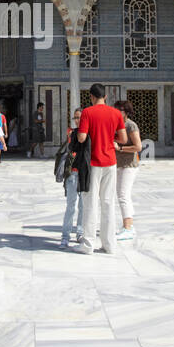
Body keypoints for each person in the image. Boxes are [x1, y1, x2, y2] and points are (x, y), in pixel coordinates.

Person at [77, 84, 126, 255]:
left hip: (93, 163)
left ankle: (88, 244)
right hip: (110, 162)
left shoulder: (87, 113)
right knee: (108, 203)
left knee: (90, 203)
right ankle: (109, 244)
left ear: (91, 96)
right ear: (105, 97)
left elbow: (82, 138)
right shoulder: (116, 113)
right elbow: (123, 138)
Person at [56, 107, 90, 249]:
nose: (77, 121)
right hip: (73, 173)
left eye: (79, 118)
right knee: (71, 206)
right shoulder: (72, 133)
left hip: (85, 173)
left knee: (83, 206)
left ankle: (80, 233)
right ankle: (65, 236)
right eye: (75, 118)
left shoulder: (89, 133)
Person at [114, 100, 143, 241]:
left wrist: (120, 148)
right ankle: (129, 224)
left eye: (120, 110)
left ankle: (128, 228)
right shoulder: (116, 125)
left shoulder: (130, 125)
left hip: (129, 165)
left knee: (123, 195)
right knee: (122, 194)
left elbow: (138, 147)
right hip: (118, 164)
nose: (117, 112)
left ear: (126, 112)